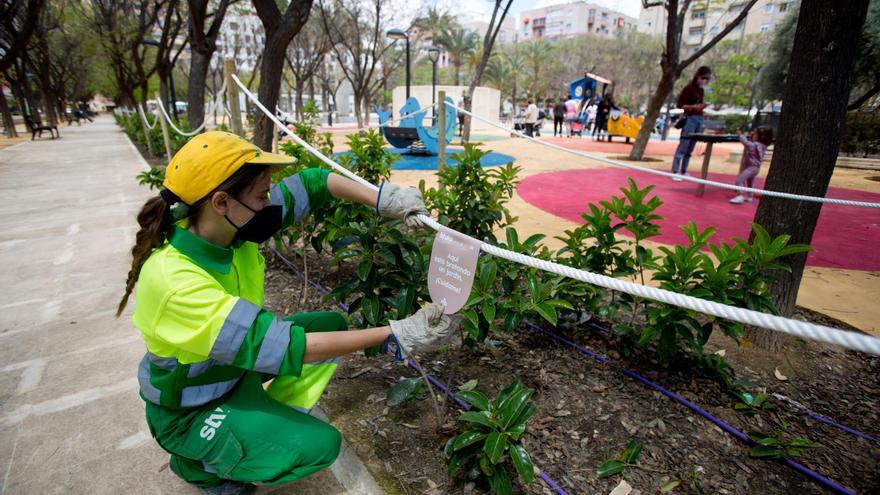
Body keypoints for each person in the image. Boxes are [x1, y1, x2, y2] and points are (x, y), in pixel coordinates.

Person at [118, 131, 460, 495]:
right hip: (189, 408)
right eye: (262, 195)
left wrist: (383, 199)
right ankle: (200, 463)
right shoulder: (176, 282)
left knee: (329, 325)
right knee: (319, 446)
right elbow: (286, 347)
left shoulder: (228, 226)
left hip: (227, 371)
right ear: (221, 201)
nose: (270, 203)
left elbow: (314, 184)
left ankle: (260, 418)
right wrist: (396, 334)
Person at [671, 66, 712, 181]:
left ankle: (684, 171)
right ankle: (675, 171)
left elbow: (699, 105)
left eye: (707, 79)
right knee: (684, 145)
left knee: (691, 147)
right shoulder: (688, 88)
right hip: (690, 118)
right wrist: (694, 107)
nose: (705, 81)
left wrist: (702, 110)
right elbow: (680, 105)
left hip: (699, 118)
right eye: (703, 78)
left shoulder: (701, 90)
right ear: (698, 76)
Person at [729, 126, 774, 204]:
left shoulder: (754, 145)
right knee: (750, 182)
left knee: (739, 180)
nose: (753, 135)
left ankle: (740, 196)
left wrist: (740, 135)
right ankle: (750, 196)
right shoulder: (762, 145)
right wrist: (751, 136)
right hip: (755, 168)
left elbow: (746, 143)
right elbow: (751, 142)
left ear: (761, 137)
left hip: (751, 168)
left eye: (755, 134)